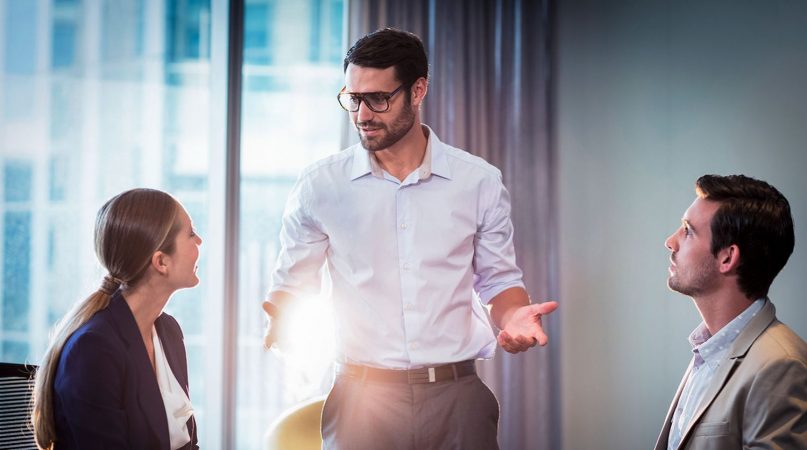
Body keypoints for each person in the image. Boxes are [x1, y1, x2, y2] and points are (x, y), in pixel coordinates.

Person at [262, 28, 557, 449]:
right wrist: (281, 321)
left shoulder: (478, 182)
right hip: (361, 402)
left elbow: (498, 280)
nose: (363, 114)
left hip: (458, 398)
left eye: (378, 99)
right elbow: (292, 286)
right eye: (353, 98)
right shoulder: (319, 186)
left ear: (418, 90)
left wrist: (513, 318)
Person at [31, 188, 202, 450]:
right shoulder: (93, 350)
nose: (199, 241)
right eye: (190, 233)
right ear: (161, 262)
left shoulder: (168, 331)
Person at [655, 174, 807, 450]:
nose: (670, 241)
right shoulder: (709, 350)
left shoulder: (781, 366)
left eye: (688, 230)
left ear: (727, 257)